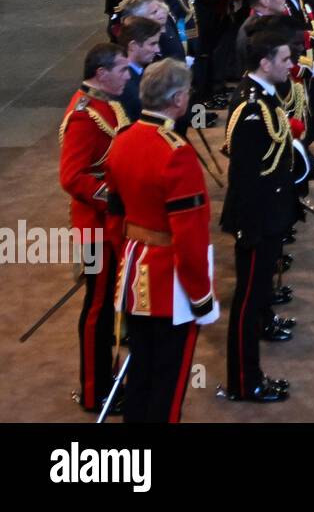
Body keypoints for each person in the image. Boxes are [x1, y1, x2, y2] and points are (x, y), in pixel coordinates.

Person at [106, 59, 218, 422]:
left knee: (141, 371)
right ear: (177, 99)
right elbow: (190, 237)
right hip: (168, 281)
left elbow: (115, 216)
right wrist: (202, 297)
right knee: (169, 382)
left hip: (133, 270)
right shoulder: (176, 153)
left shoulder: (122, 140)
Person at [222, 31, 297, 403]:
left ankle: (250, 375)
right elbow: (244, 179)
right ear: (265, 63)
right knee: (247, 304)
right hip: (255, 222)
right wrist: (249, 230)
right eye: (285, 59)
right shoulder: (252, 110)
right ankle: (243, 380)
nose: (291, 65)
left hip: (270, 216)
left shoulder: (265, 98)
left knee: (255, 299)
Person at [59, 43, 131, 415]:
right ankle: (94, 390)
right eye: (122, 69)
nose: (128, 75)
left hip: (109, 224)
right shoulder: (84, 116)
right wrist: (114, 198)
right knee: (97, 310)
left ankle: (108, 377)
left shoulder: (108, 103)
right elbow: (71, 177)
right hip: (93, 230)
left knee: (107, 309)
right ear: (102, 73)